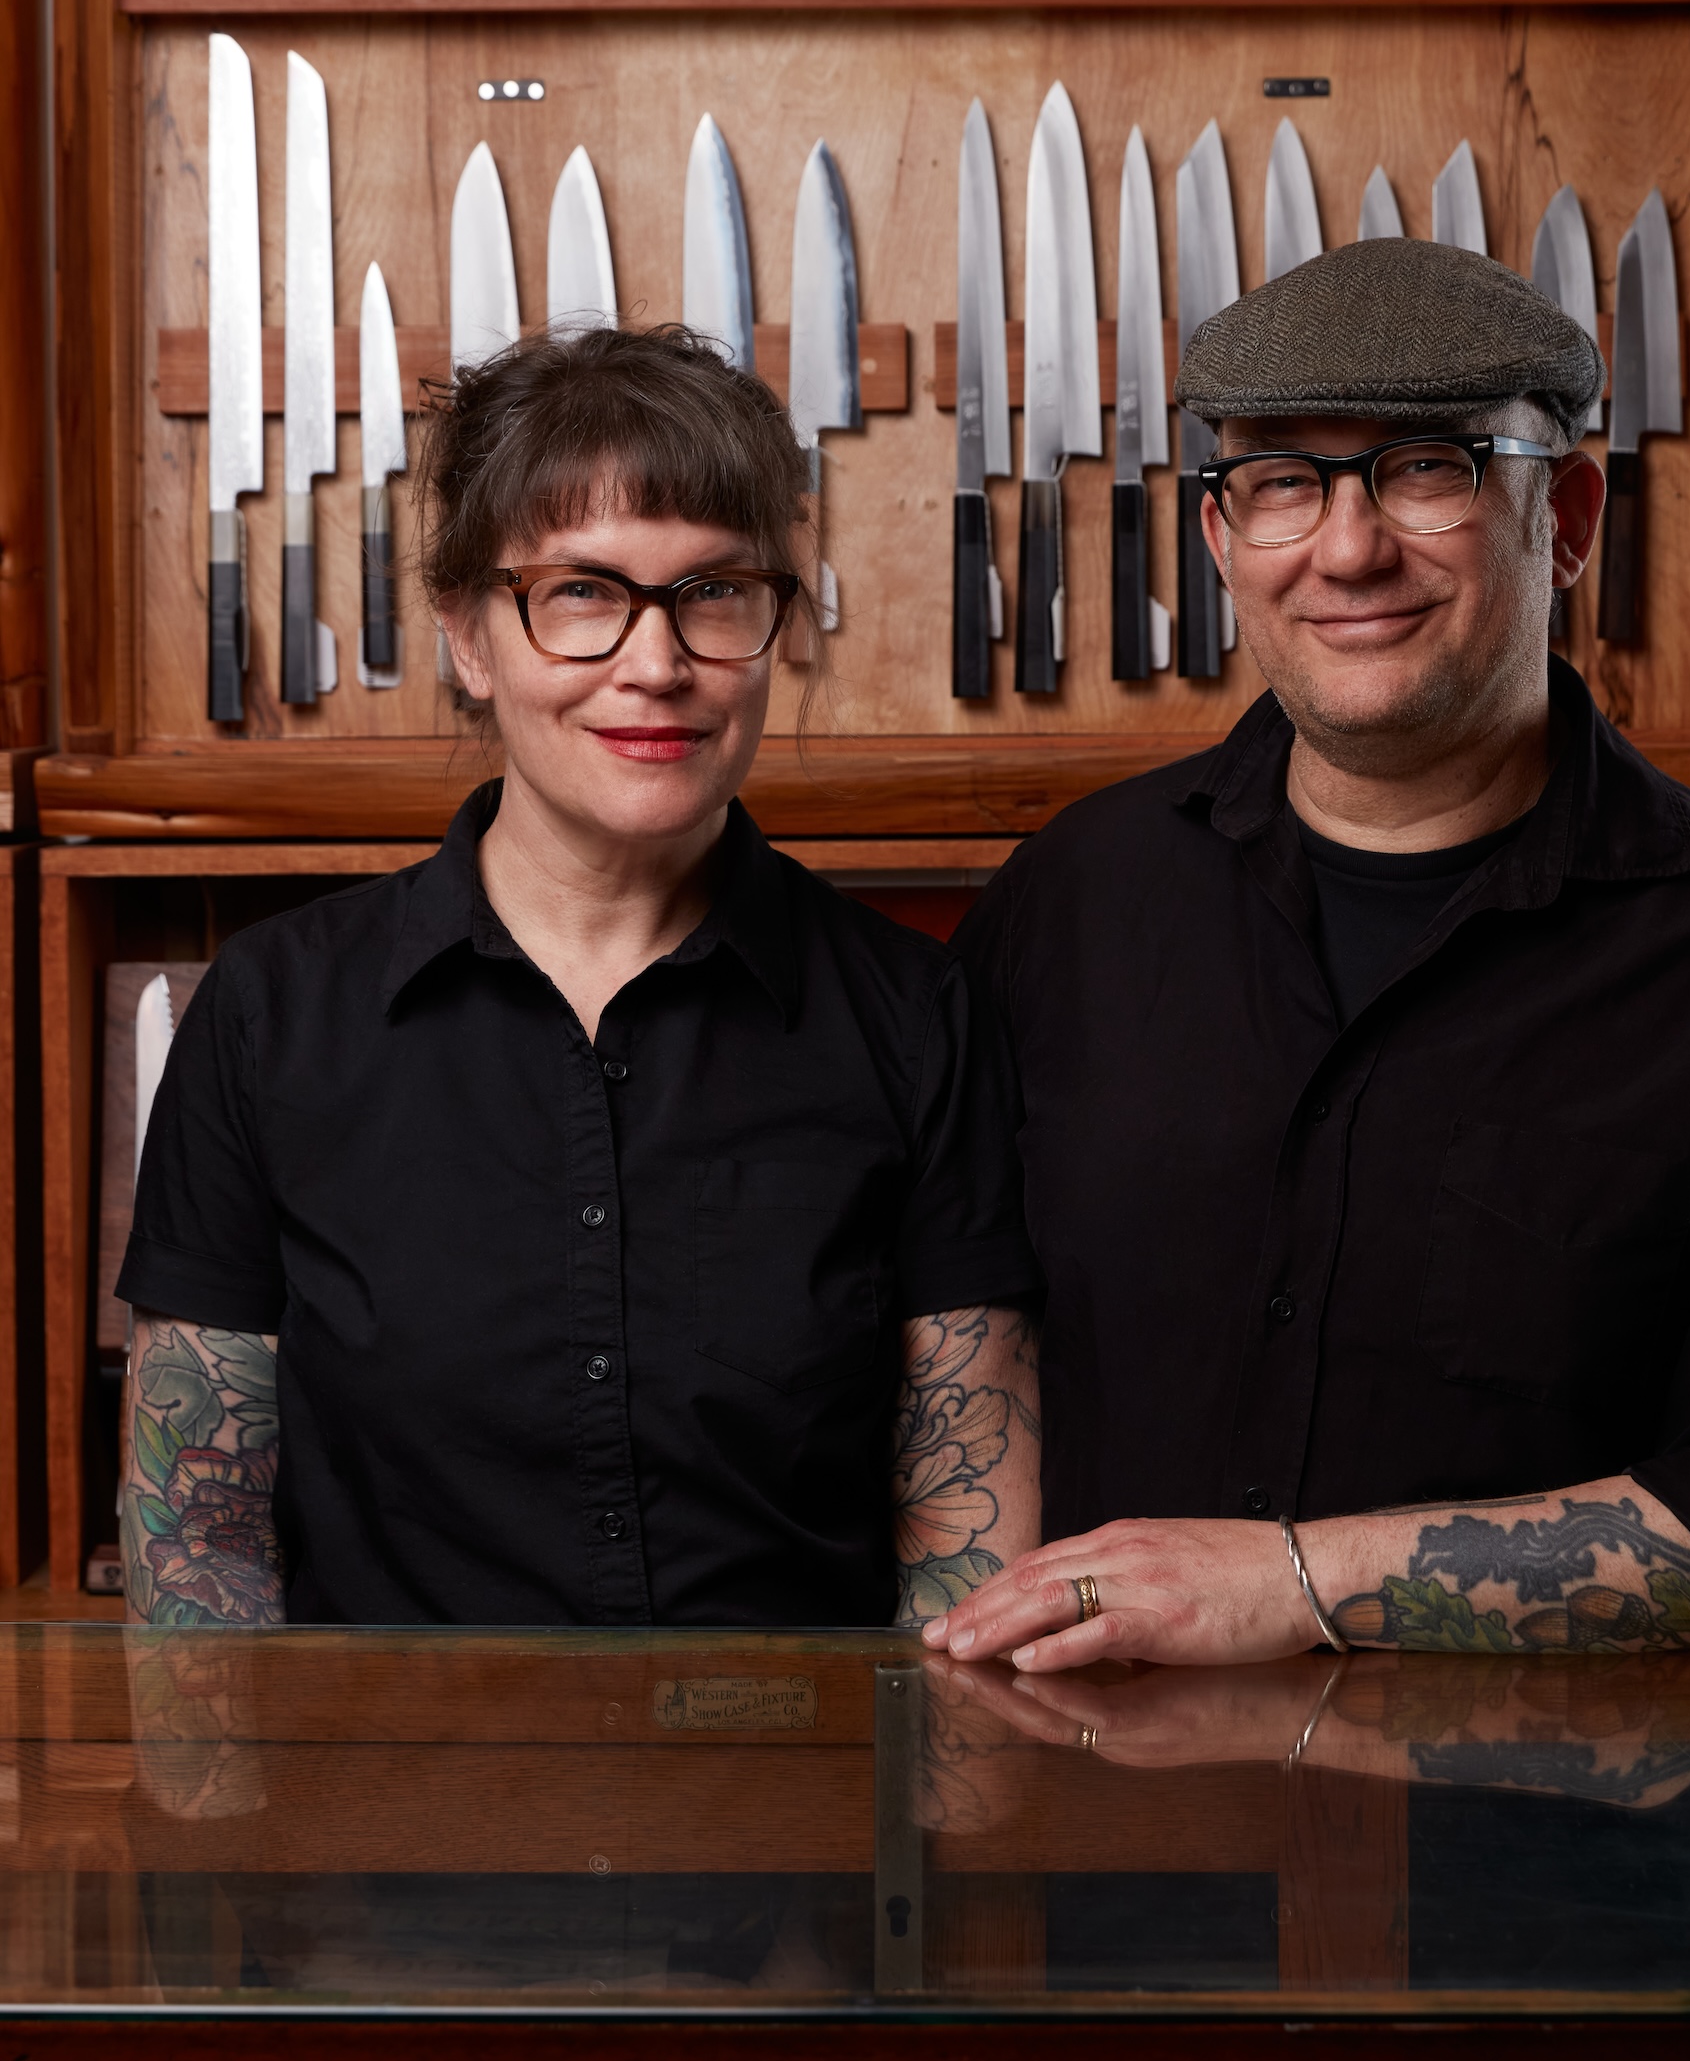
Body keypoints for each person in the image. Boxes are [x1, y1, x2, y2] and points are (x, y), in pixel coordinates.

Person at [935, 238, 1690, 1669]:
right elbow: (961, 1354)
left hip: (1572, 1873)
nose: (1348, 548)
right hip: (1122, 1848)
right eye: (1284, 481)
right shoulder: (1070, 905)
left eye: (1429, 469)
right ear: (1223, 542)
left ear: (1572, 517)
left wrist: (1295, 1583)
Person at [118, 323, 1041, 1627]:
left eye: (715, 592)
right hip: (391, 1816)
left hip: (803, 1815)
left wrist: (946, 1823)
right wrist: (227, 1828)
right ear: (468, 636)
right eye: (583, 594)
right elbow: (198, 1537)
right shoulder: (273, 1015)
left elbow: (965, 1528)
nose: (656, 666)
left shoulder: (914, 1014)